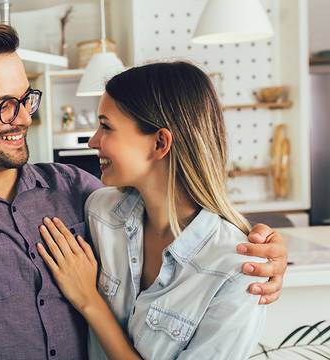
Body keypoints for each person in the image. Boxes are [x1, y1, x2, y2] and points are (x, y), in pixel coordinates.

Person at [0, 20, 287, 360]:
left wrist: (264, 246)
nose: (24, 117)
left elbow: (182, 206)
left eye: (25, 98)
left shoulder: (83, 192)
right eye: (3, 105)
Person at [36, 61, 279, 360]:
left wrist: (90, 301)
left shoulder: (237, 271)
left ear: (160, 142)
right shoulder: (99, 212)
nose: (93, 141)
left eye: (106, 126)